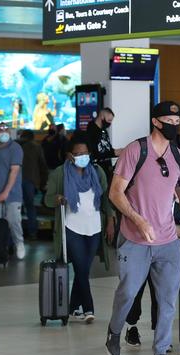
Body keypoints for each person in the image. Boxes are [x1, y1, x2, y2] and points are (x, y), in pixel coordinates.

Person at [105, 101, 180, 355]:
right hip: (135, 239)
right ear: (156, 122)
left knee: (168, 299)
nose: (175, 125)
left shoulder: (179, 157)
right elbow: (115, 193)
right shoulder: (136, 151)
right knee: (128, 292)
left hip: (168, 241)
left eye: (178, 121)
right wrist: (138, 220)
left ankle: (160, 351)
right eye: (170, 121)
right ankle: (114, 331)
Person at [45, 133, 115, 323]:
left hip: (94, 227)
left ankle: (73, 307)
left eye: (85, 153)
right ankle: (89, 309)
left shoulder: (97, 171)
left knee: (83, 268)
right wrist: (58, 198)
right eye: (78, 153)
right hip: (71, 227)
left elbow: (105, 198)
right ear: (69, 156)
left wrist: (110, 219)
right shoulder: (60, 173)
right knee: (80, 268)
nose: (82, 157)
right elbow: (47, 198)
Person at [124, 198, 180, 347]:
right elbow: (161, 228)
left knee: (161, 295)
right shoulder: (151, 202)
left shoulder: (178, 207)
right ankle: (131, 327)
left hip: (163, 256)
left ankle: (160, 337)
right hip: (142, 250)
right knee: (135, 292)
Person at [0, 122, 26, 260]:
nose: (3, 131)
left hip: (13, 194)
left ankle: (19, 244)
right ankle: (0, 248)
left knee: (14, 221)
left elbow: (14, 171)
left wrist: (6, 192)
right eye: (0, 129)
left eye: (6, 129)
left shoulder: (15, 148)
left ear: (10, 132)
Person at [19, 130, 49, 240]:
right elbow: (42, 165)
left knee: (16, 207)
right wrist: (43, 182)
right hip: (30, 181)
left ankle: (17, 234)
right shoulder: (36, 147)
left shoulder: (16, 146)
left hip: (15, 181)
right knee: (30, 207)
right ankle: (32, 233)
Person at [86, 108, 120, 180]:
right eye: (109, 120)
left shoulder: (104, 131)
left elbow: (108, 148)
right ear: (102, 116)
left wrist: (117, 152)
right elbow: (95, 152)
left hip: (106, 168)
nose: (110, 123)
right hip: (96, 169)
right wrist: (114, 152)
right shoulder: (91, 131)